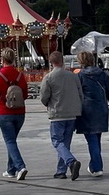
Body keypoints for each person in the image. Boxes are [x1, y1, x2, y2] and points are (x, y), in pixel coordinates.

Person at [75, 51, 109, 177]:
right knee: (96, 138)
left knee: (91, 140)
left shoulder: (80, 76)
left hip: (87, 111)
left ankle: (97, 167)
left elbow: (77, 95)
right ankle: (93, 165)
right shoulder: (102, 75)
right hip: (101, 109)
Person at [40, 51, 84, 181]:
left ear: (51, 62)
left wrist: (48, 104)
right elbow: (80, 94)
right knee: (65, 143)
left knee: (57, 141)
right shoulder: (73, 76)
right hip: (71, 114)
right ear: (63, 61)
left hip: (57, 114)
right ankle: (61, 170)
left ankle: (71, 162)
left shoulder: (48, 77)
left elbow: (43, 96)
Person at [0, 48, 29, 181]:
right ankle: (10, 170)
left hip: (4, 112)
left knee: (10, 141)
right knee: (12, 141)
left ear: (2, 60)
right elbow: (26, 95)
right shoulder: (20, 76)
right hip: (20, 112)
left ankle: (20, 166)